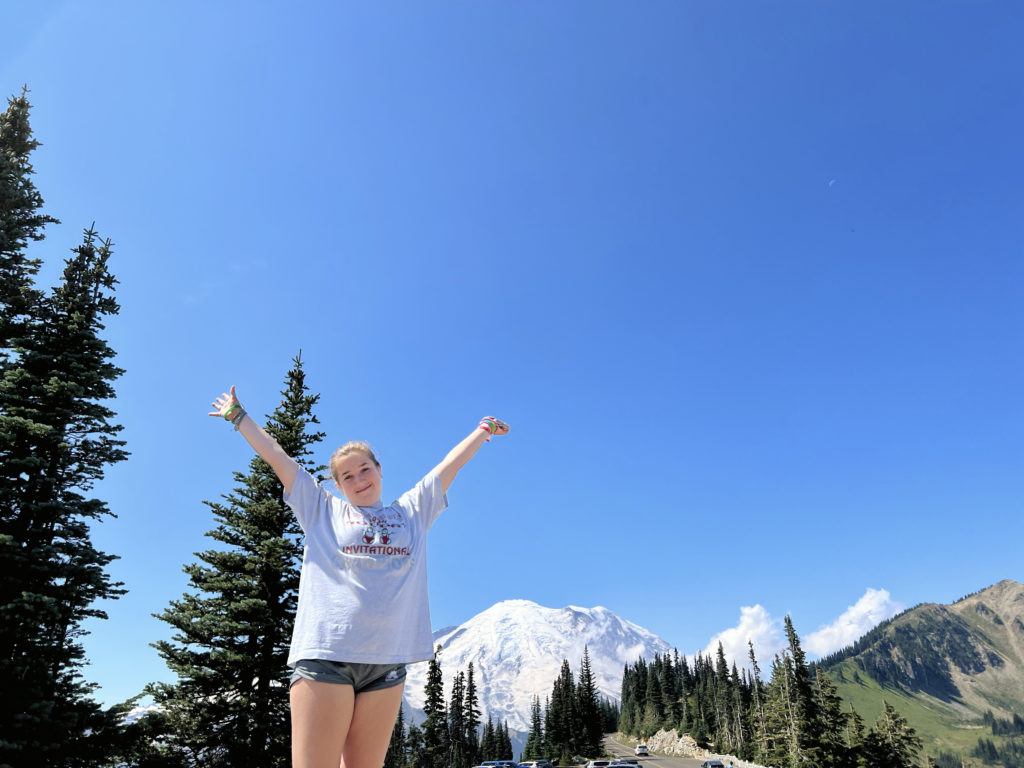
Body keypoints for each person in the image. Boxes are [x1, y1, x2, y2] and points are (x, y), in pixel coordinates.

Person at [209, 385, 510, 768]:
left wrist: (483, 430)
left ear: (379, 470)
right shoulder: (321, 509)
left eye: (365, 468)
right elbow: (279, 459)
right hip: (326, 657)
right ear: (338, 486)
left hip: (385, 666)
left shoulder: (413, 511)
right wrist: (239, 417)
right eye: (347, 475)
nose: (359, 478)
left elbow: (448, 467)